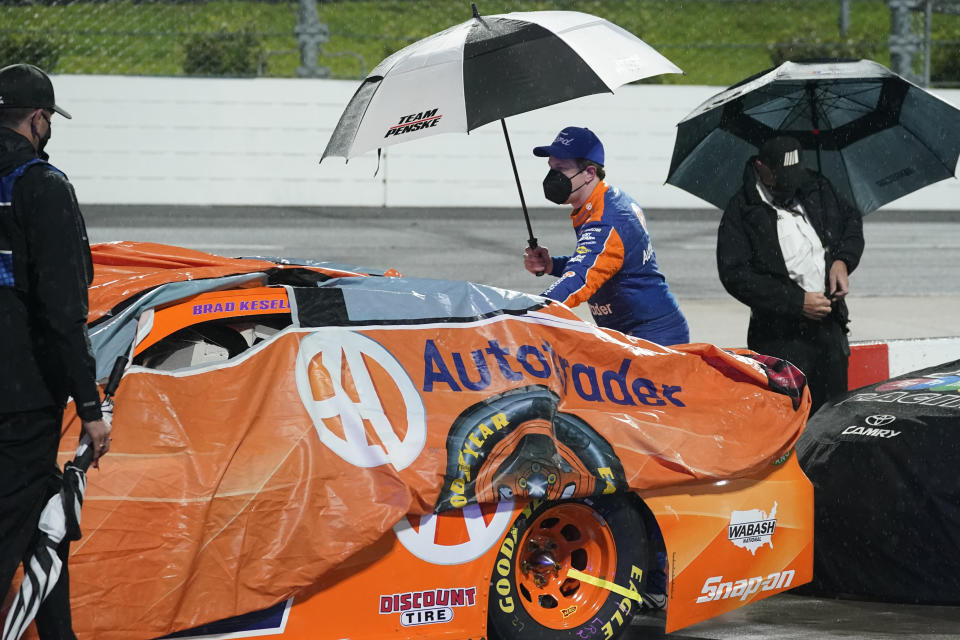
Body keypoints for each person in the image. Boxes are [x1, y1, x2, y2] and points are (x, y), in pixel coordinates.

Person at [0, 63, 111, 639]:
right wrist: (90, 409)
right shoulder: (42, 185)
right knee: (13, 525)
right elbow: (63, 311)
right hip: (22, 400)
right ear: (39, 119)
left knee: (48, 512)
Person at [717, 135, 864, 413]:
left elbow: (851, 223)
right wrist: (796, 303)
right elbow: (735, 275)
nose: (791, 185)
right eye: (783, 178)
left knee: (832, 416)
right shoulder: (743, 210)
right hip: (780, 338)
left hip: (829, 331)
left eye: (796, 176)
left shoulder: (816, 187)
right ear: (761, 168)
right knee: (790, 418)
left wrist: (842, 261)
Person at [523, 126, 689, 346]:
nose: (553, 176)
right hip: (632, 330)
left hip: (652, 336)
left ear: (589, 173)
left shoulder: (608, 219)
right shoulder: (603, 201)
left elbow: (580, 279)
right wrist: (552, 265)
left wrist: (530, 313)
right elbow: (599, 264)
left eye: (561, 169)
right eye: (551, 168)